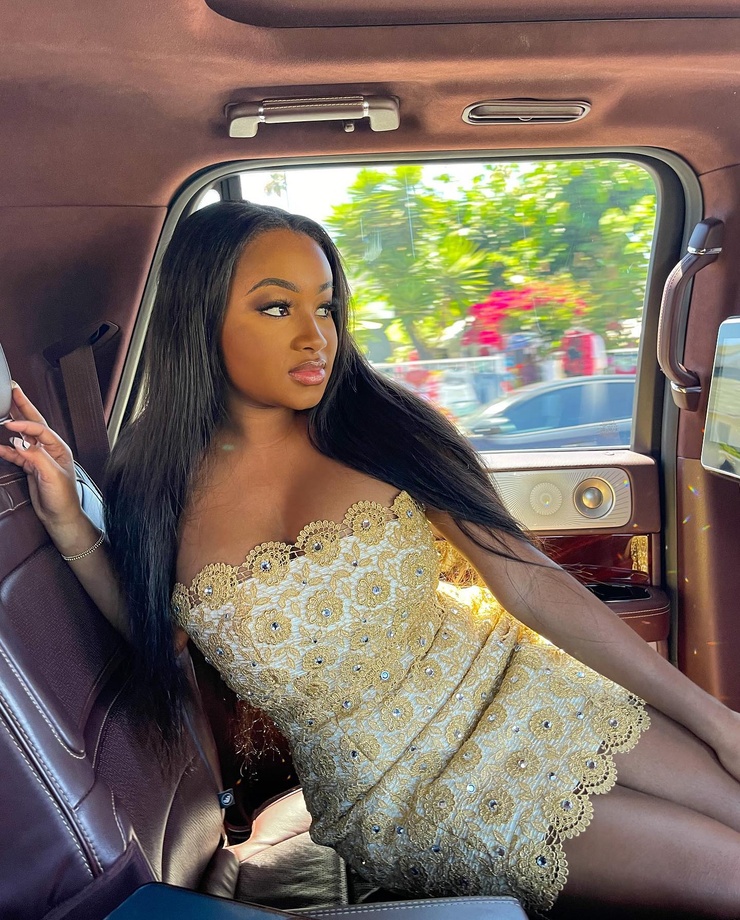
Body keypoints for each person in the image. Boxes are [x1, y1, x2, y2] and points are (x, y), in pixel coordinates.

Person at [2, 201, 740, 919]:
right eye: (276, 308)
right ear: (200, 319)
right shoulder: (151, 487)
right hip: (407, 794)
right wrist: (70, 524)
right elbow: (159, 635)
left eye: (325, 307)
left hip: (524, 689)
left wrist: (718, 721)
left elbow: (530, 583)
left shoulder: (381, 425)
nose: (314, 337)